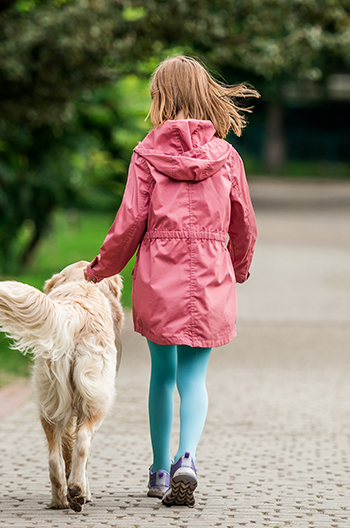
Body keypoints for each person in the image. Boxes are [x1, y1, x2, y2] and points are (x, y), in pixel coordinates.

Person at [84, 55, 258, 507]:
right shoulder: (227, 156)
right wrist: (238, 266)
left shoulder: (146, 155)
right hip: (211, 272)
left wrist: (99, 270)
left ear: (161, 97)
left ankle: (160, 472)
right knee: (194, 378)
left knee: (162, 375)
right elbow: (244, 223)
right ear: (205, 95)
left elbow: (128, 224)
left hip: (159, 273)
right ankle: (188, 457)